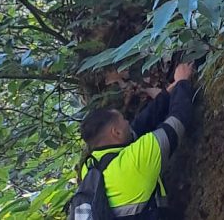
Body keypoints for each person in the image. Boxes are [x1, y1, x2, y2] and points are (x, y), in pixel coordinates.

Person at [78, 62, 196, 219]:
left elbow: (139, 126)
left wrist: (167, 94)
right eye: (124, 119)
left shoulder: (90, 167)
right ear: (116, 132)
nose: (128, 122)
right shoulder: (135, 162)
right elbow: (179, 119)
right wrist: (182, 82)